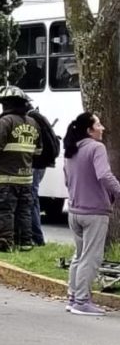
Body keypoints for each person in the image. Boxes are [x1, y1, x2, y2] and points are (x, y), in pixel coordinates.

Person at [63, 112, 120, 316]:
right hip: (95, 212)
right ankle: (81, 301)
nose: (102, 128)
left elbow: (67, 179)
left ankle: (72, 297)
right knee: (91, 257)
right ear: (89, 130)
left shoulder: (71, 149)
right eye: (98, 124)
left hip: (75, 211)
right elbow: (104, 174)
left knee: (79, 256)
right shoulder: (97, 148)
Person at [0, 86, 41, 252]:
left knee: (2, 210)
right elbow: (38, 151)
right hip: (26, 177)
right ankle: (25, 243)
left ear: (6, 105)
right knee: (24, 211)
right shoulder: (33, 123)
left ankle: (3, 242)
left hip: (5, 177)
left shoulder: (5, 122)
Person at [26, 101, 61, 246]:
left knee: (32, 200)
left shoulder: (31, 119)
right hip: (42, 165)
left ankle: (37, 238)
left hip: (35, 165)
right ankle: (35, 236)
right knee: (33, 198)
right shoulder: (38, 116)